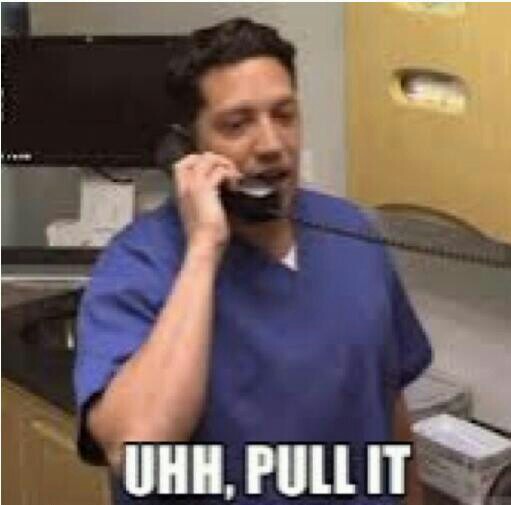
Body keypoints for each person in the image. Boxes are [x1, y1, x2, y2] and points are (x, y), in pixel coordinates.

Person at [74, 17, 432, 505]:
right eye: (237, 124)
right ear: (187, 148)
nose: (271, 144)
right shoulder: (139, 264)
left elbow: (388, 402)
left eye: (284, 115)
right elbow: (136, 449)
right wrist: (204, 247)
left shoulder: (351, 231)